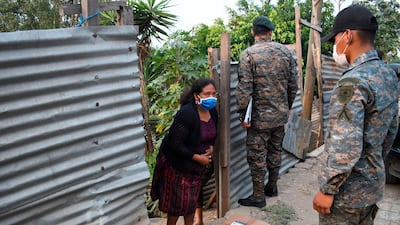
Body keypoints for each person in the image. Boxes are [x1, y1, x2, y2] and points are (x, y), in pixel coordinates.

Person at [313, 5, 399, 225]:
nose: (334, 47)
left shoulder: (352, 81)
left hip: (346, 197)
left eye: (335, 40)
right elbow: (391, 129)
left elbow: (345, 144)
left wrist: (328, 189)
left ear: (348, 36)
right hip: (372, 187)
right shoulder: (387, 74)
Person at [235, 15, 298, 208]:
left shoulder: (249, 54)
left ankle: (258, 195)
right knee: (275, 151)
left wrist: (242, 114)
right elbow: (293, 84)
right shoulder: (286, 53)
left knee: (257, 155)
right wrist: (287, 106)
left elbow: (244, 89)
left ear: (254, 32)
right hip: (279, 115)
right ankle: (272, 186)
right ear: (270, 32)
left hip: (259, 119)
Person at [150, 78, 218, 225]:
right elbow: (176, 144)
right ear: (196, 96)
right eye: (206, 94)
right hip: (178, 166)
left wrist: (211, 146)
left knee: (190, 204)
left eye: (213, 93)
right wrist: (198, 158)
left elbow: (213, 133)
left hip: (196, 168)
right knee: (175, 206)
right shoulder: (186, 114)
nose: (211, 97)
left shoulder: (212, 111)